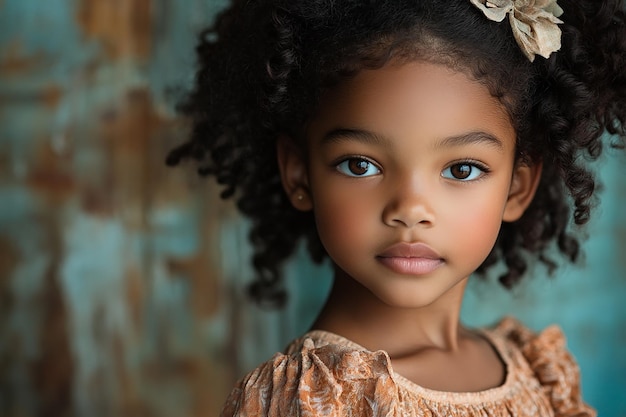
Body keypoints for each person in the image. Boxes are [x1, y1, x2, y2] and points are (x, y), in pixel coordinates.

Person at [167, 0, 626, 415]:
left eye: (462, 170)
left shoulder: (537, 371)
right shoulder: (307, 400)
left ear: (517, 188)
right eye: (360, 164)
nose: (410, 209)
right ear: (299, 174)